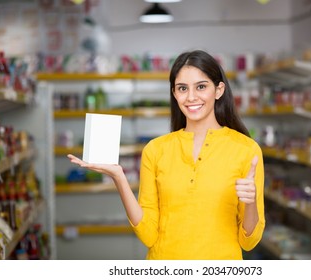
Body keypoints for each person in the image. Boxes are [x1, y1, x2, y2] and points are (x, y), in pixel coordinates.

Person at [67, 50, 265, 260]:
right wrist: (119, 177)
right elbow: (148, 235)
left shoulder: (246, 150)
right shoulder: (156, 150)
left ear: (218, 90)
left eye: (201, 86)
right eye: (182, 88)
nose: (191, 97)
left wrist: (250, 202)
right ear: (174, 93)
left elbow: (249, 241)